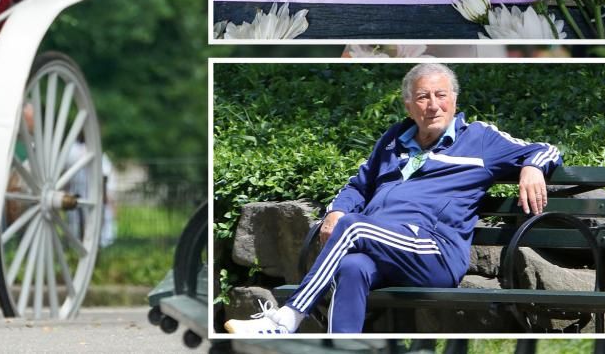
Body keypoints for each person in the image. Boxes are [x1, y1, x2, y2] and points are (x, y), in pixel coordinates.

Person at [224, 63, 561, 335]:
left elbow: (547, 149)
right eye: (423, 97)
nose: (433, 105)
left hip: (434, 252)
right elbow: (358, 184)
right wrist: (337, 211)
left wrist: (531, 166)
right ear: (408, 105)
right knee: (353, 267)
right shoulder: (392, 141)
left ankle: (286, 319)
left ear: (454, 100)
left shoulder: (480, 140)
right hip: (384, 246)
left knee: (354, 229)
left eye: (440, 95)